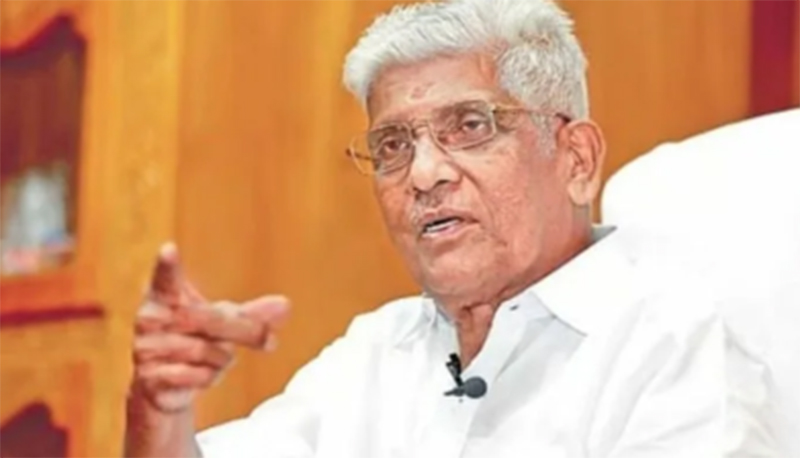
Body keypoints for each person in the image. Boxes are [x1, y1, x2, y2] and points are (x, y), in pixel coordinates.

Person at [124, 0, 733, 456]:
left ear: (576, 160)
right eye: (393, 144)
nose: (422, 174)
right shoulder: (381, 350)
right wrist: (158, 408)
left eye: (470, 126)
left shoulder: (674, 342)